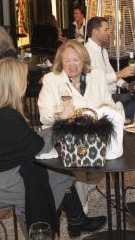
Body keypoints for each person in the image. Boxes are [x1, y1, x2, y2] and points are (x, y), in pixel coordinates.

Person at [0, 58, 106, 237]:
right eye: (24, 79)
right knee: (55, 178)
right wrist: (63, 122)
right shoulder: (7, 115)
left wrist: (58, 126)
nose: (26, 83)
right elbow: (39, 147)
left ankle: (75, 220)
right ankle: (40, 236)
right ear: (15, 84)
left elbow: (30, 139)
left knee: (59, 172)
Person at [38, 40, 118, 212]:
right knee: (78, 167)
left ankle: (74, 195)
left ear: (84, 60)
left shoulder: (97, 76)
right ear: (61, 62)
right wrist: (61, 114)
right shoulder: (51, 80)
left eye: (76, 60)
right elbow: (44, 115)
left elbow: (109, 103)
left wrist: (105, 110)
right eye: (67, 61)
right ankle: (81, 210)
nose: (72, 65)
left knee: (108, 161)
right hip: (65, 136)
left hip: (94, 134)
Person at [84, 17, 135, 97]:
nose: (109, 33)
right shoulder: (85, 52)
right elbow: (95, 80)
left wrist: (127, 85)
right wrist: (121, 73)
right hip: (101, 99)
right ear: (95, 31)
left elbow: (111, 75)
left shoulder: (103, 51)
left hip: (112, 96)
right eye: (106, 30)